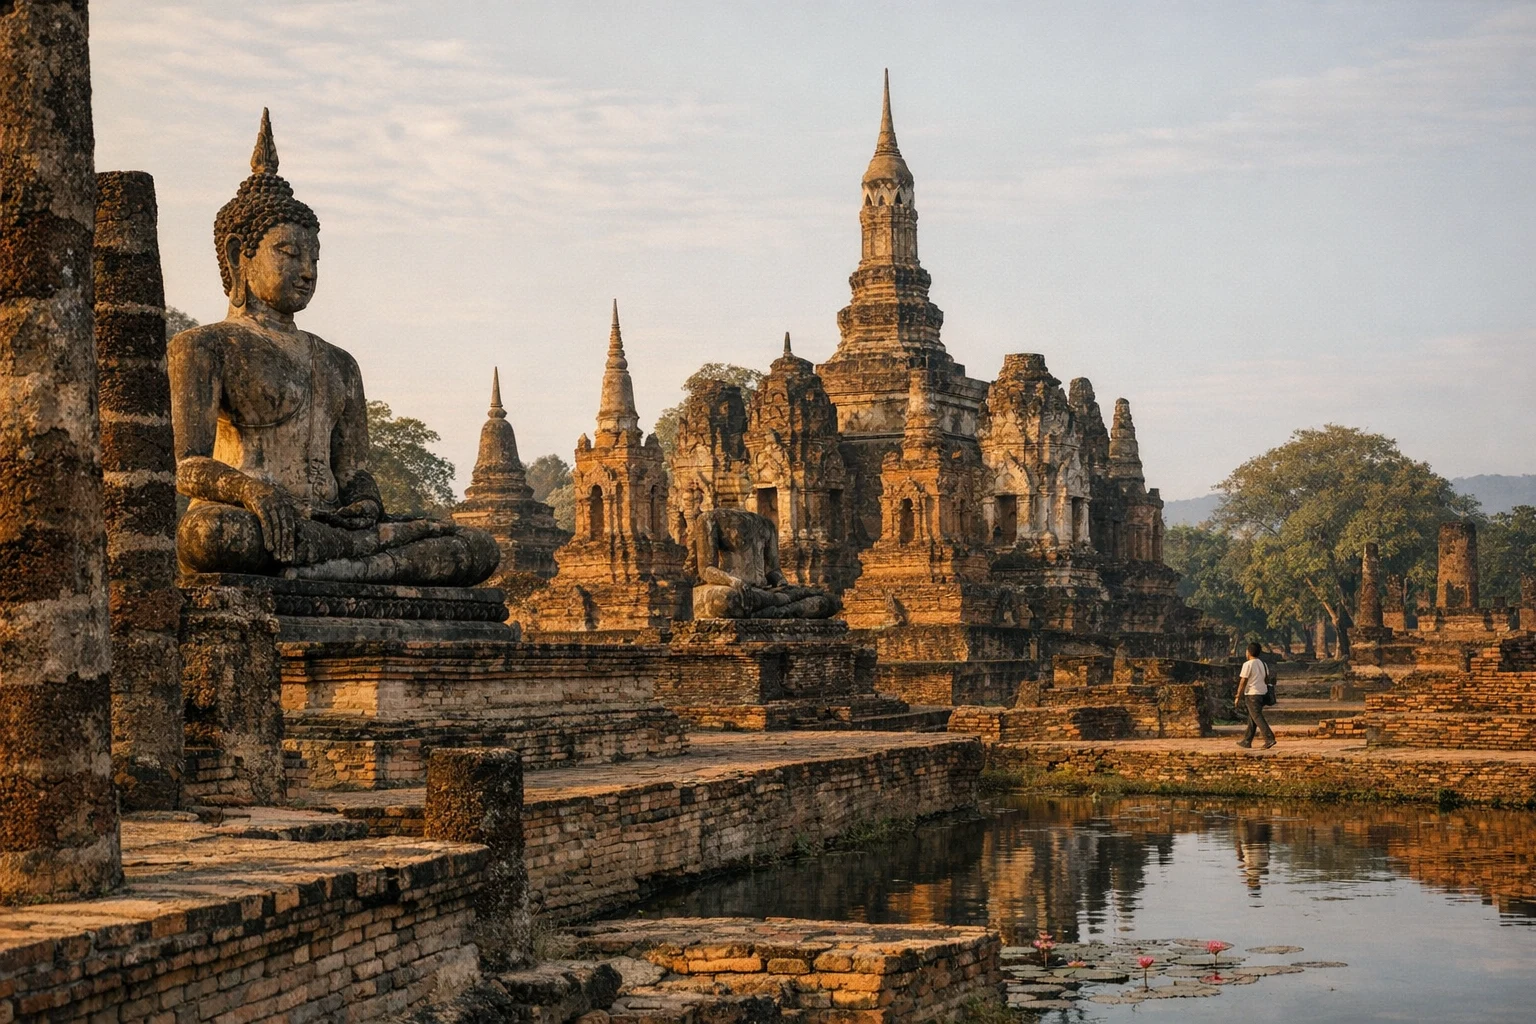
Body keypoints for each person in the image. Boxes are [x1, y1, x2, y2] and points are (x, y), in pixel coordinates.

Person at [1235, 641, 1276, 749]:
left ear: (1248, 652)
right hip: (1262, 693)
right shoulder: (1263, 664)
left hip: (1252, 694)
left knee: (1257, 716)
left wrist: (1238, 696)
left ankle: (1269, 738)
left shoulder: (1247, 664)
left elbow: (1243, 681)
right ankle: (1247, 740)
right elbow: (1266, 679)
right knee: (1252, 717)